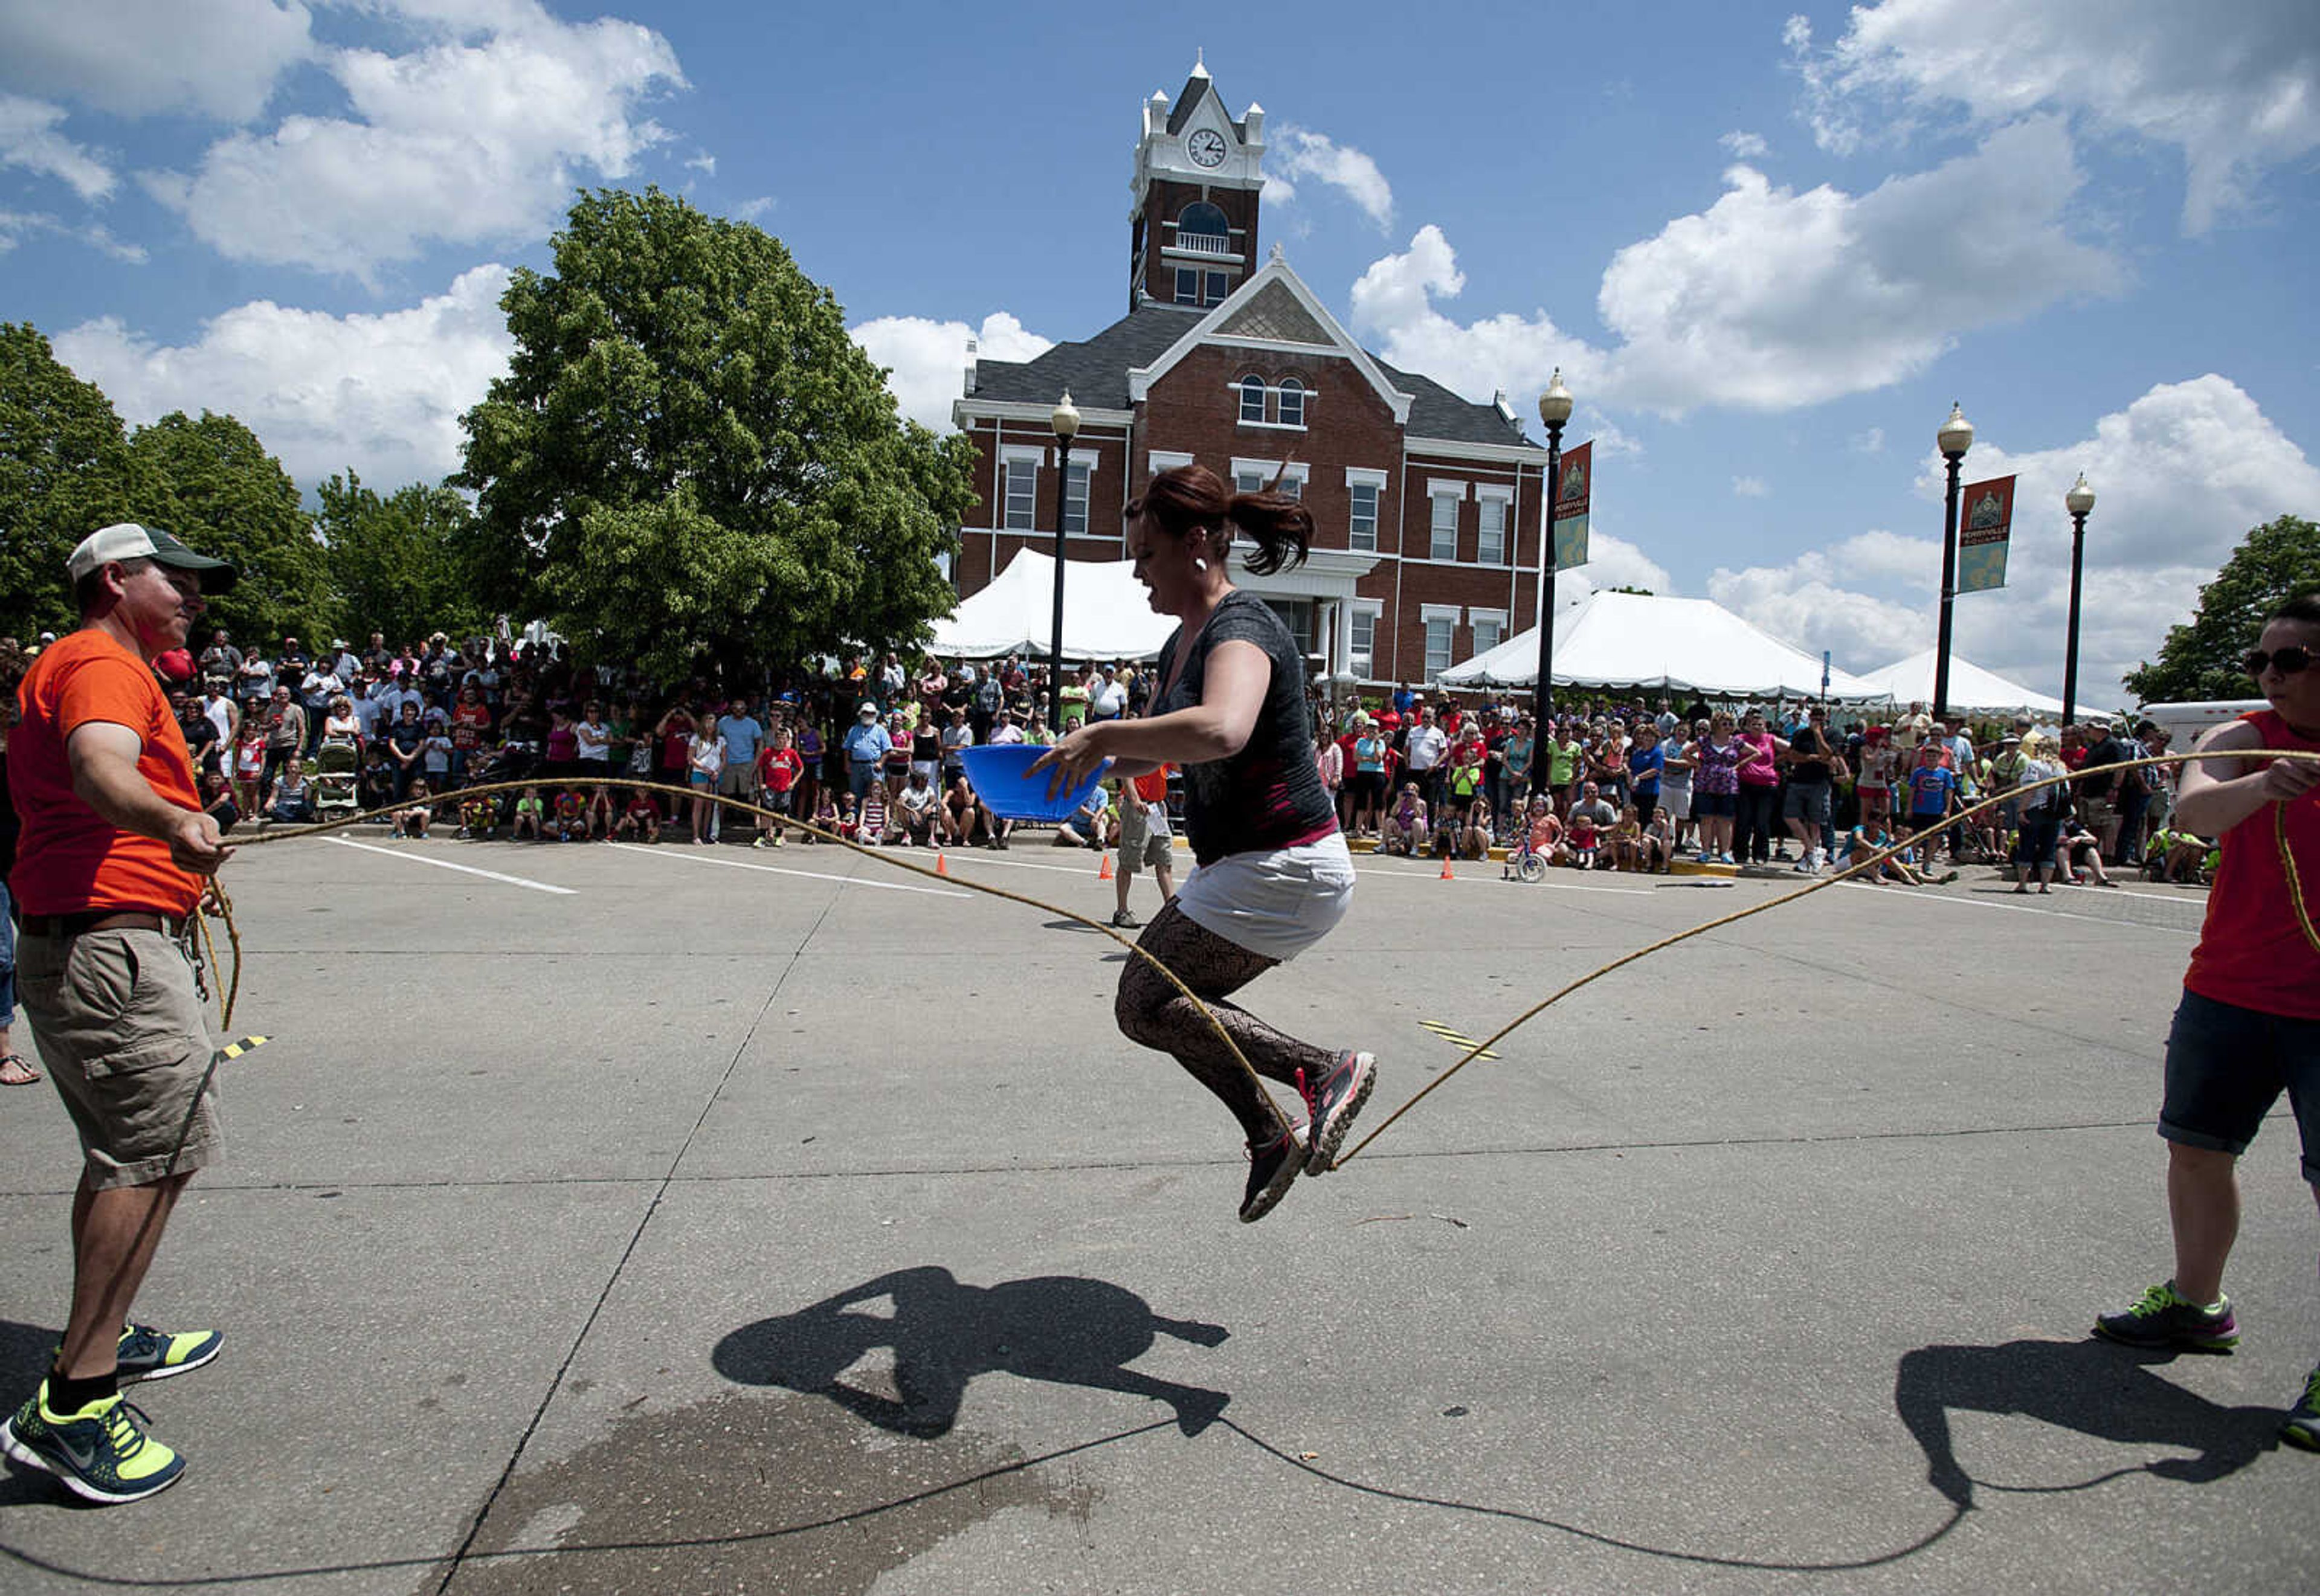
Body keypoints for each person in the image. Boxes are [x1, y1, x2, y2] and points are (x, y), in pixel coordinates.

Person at [1030, 464, 1372, 1224]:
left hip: (1286, 862)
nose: (1136, 571)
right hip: (1251, 867)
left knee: (1146, 998)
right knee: (1163, 1004)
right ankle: (1270, 1134)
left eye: (1144, 553)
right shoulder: (1176, 645)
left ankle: (1322, 1072)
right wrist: (1081, 765)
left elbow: (1223, 727)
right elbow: (1158, 754)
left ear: (1194, 546)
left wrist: (1104, 729)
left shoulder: (1240, 626)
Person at [1, 523, 238, 1505]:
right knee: (152, 1150)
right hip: (107, 943)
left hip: (104, 933)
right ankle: (74, 1400)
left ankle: (108, 1323)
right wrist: (176, 822)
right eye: (174, 579)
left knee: (137, 1150)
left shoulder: (98, 660)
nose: (191, 595)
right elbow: (102, 766)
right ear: (114, 578)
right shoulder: (100, 660)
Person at [2092, 593, 2320, 1455]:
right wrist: (2266, 783)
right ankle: (2197, 1302)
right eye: (2264, 659)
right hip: (2231, 988)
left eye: (2292, 660)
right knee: (2197, 1148)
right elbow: (2193, 813)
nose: (2270, 674)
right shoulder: (2241, 739)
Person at [1110, 768, 1179, 928]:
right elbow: (1127, 772)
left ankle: (1171, 912)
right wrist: (1135, 800)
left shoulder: (1164, 746)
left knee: (1164, 860)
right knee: (1129, 860)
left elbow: (1177, 765)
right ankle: (1122, 911)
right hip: (1139, 806)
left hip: (1157, 808)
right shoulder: (1138, 744)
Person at [1381, 781, 1429, 858]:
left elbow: (1419, 816)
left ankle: (1415, 848)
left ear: (1417, 793)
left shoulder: (1421, 803)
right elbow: (1393, 814)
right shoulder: (1402, 801)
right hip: (1403, 831)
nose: (1409, 793)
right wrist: (1398, 801)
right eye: (1407, 790)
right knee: (1389, 820)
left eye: (1412, 790)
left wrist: (1414, 803)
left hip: (1417, 832)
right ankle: (1382, 845)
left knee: (1417, 821)